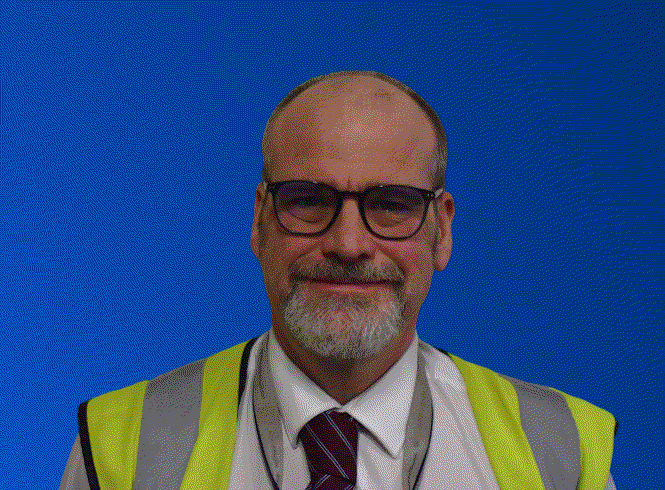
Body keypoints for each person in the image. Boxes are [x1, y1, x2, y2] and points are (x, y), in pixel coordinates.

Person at [60, 71, 617, 490]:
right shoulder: (120, 449)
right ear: (258, 221)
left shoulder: (562, 455)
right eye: (308, 200)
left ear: (442, 231)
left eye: (392, 205)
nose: (349, 244)